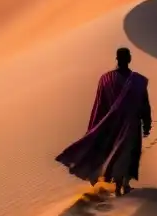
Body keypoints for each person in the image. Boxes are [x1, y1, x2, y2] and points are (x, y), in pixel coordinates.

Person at [55, 47, 151, 196]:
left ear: (117, 59)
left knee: (119, 152)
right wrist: (147, 123)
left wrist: (97, 126)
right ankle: (121, 187)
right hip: (130, 124)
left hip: (114, 125)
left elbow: (100, 106)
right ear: (129, 59)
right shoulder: (137, 81)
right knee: (126, 153)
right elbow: (144, 104)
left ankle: (120, 186)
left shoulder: (107, 79)